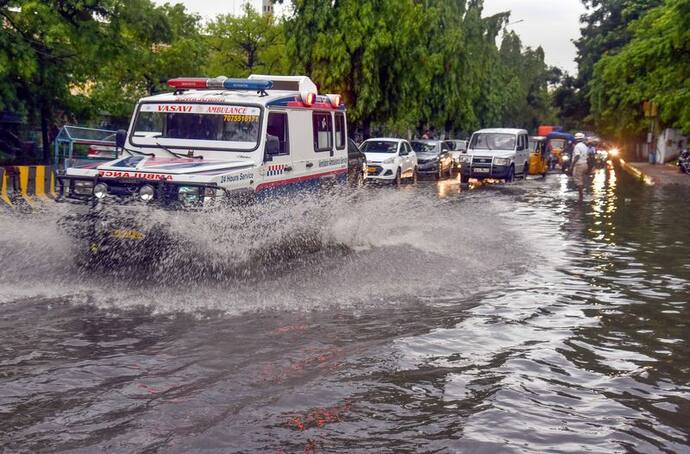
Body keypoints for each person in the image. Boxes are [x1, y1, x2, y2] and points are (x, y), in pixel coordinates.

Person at [570, 132, 590, 201]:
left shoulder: (577, 146)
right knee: (580, 180)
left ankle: (581, 197)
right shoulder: (584, 146)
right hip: (585, 164)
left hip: (579, 165)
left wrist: (571, 166)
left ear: (576, 139)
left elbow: (577, 156)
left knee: (578, 181)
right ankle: (581, 194)